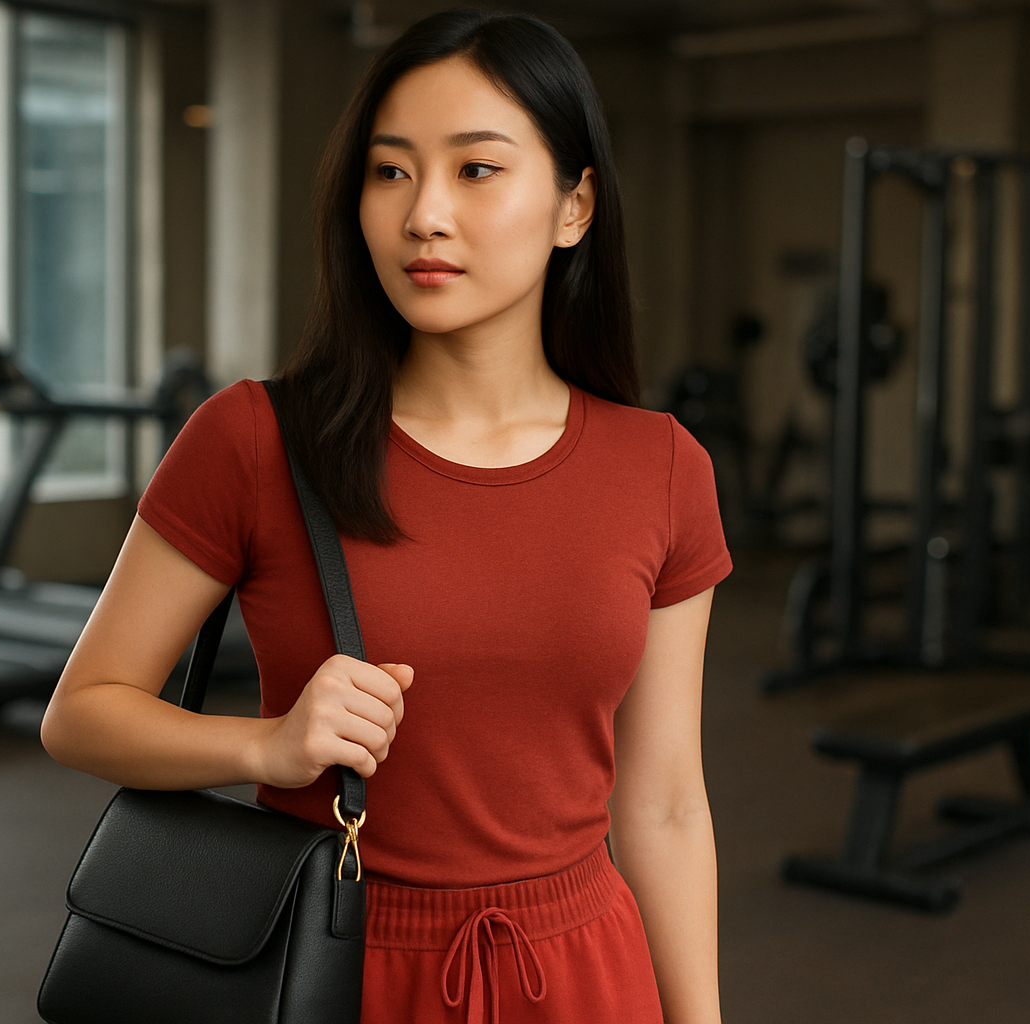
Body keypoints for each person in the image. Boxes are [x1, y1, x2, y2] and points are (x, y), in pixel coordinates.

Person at [41, 9, 731, 1023]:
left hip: (585, 973)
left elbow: (666, 803)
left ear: (574, 206)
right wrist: (265, 746)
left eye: (477, 170)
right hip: (344, 965)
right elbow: (82, 711)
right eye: (391, 171)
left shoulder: (662, 467)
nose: (424, 216)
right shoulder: (255, 439)